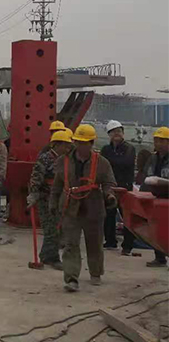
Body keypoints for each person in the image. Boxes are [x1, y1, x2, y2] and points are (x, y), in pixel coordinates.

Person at [50, 124, 117, 292]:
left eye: (84, 143)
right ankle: (71, 278)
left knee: (94, 243)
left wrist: (109, 195)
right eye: (78, 142)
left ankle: (95, 272)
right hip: (70, 208)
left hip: (93, 208)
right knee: (70, 244)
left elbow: (109, 182)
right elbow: (57, 185)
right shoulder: (63, 161)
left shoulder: (102, 163)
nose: (80, 146)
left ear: (91, 143)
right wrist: (53, 203)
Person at [27, 129, 74, 270]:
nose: (67, 148)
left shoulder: (65, 160)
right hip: (45, 199)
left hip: (59, 198)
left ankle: (46, 255)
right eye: (65, 145)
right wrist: (33, 194)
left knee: (57, 228)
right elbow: (36, 178)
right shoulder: (45, 158)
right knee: (51, 229)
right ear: (57, 144)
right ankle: (51, 258)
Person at [99, 120, 136, 254]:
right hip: (110, 187)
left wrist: (110, 162)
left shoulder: (129, 149)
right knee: (109, 215)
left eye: (119, 131)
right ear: (109, 134)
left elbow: (125, 162)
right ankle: (110, 241)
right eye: (114, 132)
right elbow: (101, 165)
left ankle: (127, 246)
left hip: (125, 188)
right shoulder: (106, 149)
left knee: (127, 217)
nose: (117, 134)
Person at [140, 127, 169, 267]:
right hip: (157, 196)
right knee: (156, 227)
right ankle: (159, 257)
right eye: (156, 140)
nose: (158, 143)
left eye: (161, 141)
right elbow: (147, 174)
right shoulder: (153, 158)